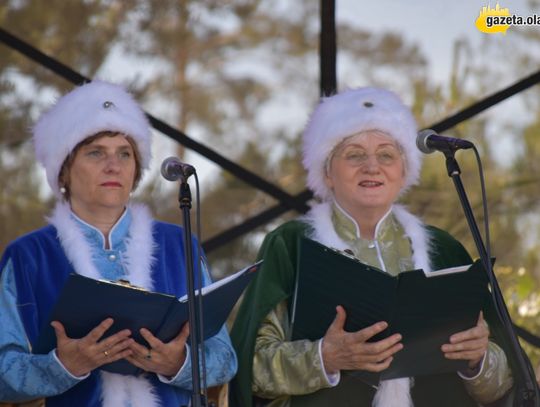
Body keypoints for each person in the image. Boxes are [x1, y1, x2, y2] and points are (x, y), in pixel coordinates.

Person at [229, 87, 515, 407]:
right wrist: (324, 357)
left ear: (403, 170)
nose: (371, 166)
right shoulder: (291, 245)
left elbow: (504, 384)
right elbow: (249, 368)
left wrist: (477, 361)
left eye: (386, 154)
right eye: (354, 154)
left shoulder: (444, 249)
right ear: (327, 171)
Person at [0, 80, 237, 407]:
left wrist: (177, 363)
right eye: (96, 152)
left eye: (125, 153)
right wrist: (63, 366)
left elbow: (225, 359)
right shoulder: (28, 256)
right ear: (64, 170)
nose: (113, 165)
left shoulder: (178, 245)